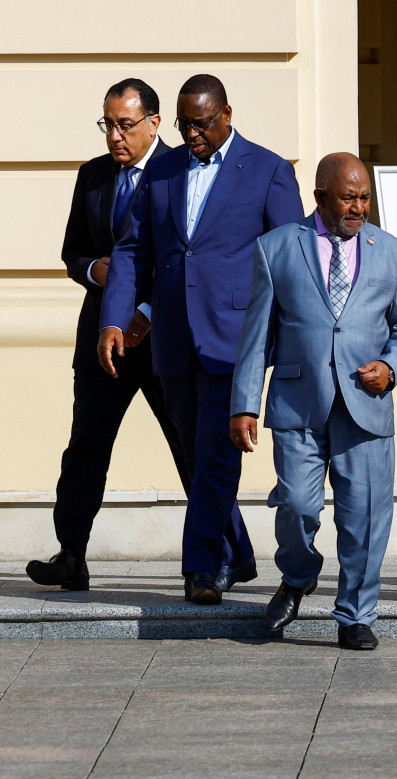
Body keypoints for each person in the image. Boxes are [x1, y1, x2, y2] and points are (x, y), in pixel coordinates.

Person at [98, 74, 304, 605]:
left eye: (202, 123)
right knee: (196, 458)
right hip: (172, 338)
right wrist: (115, 320)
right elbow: (132, 251)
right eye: (186, 124)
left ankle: (202, 568)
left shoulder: (267, 170)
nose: (192, 134)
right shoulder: (163, 169)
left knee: (215, 455)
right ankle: (236, 554)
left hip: (235, 341)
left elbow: (290, 261)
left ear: (227, 115)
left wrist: (288, 343)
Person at [230, 153, 397, 651]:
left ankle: (355, 615)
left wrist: (392, 366)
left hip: (365, 403)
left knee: (364, 516)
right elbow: (256, 337)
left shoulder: (394, 253)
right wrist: (244, 403)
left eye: (364, 197)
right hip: (299, 401)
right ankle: (298, 575)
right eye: (348, 197)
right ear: (320, 196)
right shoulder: (276, 248)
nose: (358, 207)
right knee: (295, 504)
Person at [26, 79, 189, 591]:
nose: (115, 136)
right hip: (103, 340)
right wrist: (96, 272)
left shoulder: (181, 171)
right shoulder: (94, 176)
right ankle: (71, 554)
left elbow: (186, 254)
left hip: (162, 336)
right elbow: (73, 251)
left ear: (155, 124)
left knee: (192, 447)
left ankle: (220, 556)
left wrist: (142, 306)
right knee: (86, 448)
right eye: (108, 125)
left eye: (126, 125)